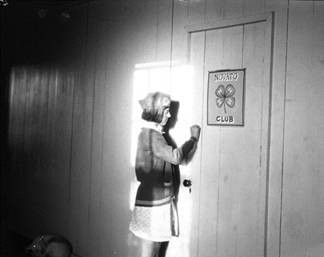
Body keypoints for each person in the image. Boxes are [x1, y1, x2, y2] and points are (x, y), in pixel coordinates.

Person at [129, 92, 201, 257]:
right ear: (156, 112)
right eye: (166, 110)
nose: (170, 115)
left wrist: (191, 144)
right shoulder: (152, 136)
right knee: (151, 251)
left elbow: (179, 160)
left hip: (157, 201)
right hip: (153, 202)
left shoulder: (155, 135)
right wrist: (193, 138)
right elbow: (176, 157)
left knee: (155, 250)